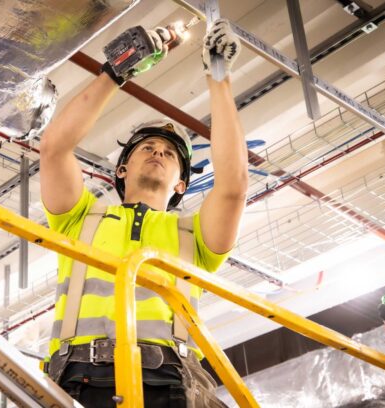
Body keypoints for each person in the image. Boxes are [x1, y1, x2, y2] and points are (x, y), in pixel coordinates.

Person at [39, 19, 247, 407]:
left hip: (171, 384)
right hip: (77, 381)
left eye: (170, 154)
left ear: (181, 186)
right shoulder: (80, 218)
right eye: (147, 147)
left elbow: (233, 188)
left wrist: (219, 78)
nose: (159, 153)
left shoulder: (194, 237)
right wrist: (115, 71)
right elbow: (53, 148)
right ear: (121, 170)